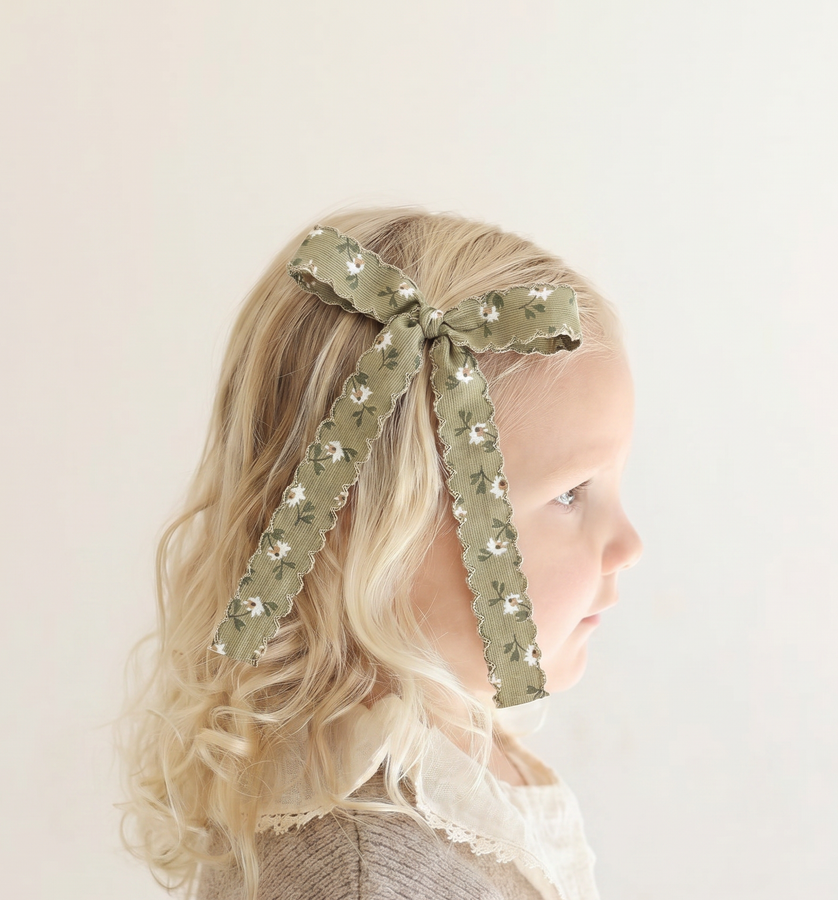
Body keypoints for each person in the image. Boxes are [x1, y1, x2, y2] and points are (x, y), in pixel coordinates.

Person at [116, 205, 643, 900]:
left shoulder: (449, 754)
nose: (629, 544)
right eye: (571, 494)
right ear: (378, 527)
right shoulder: (362, 874)